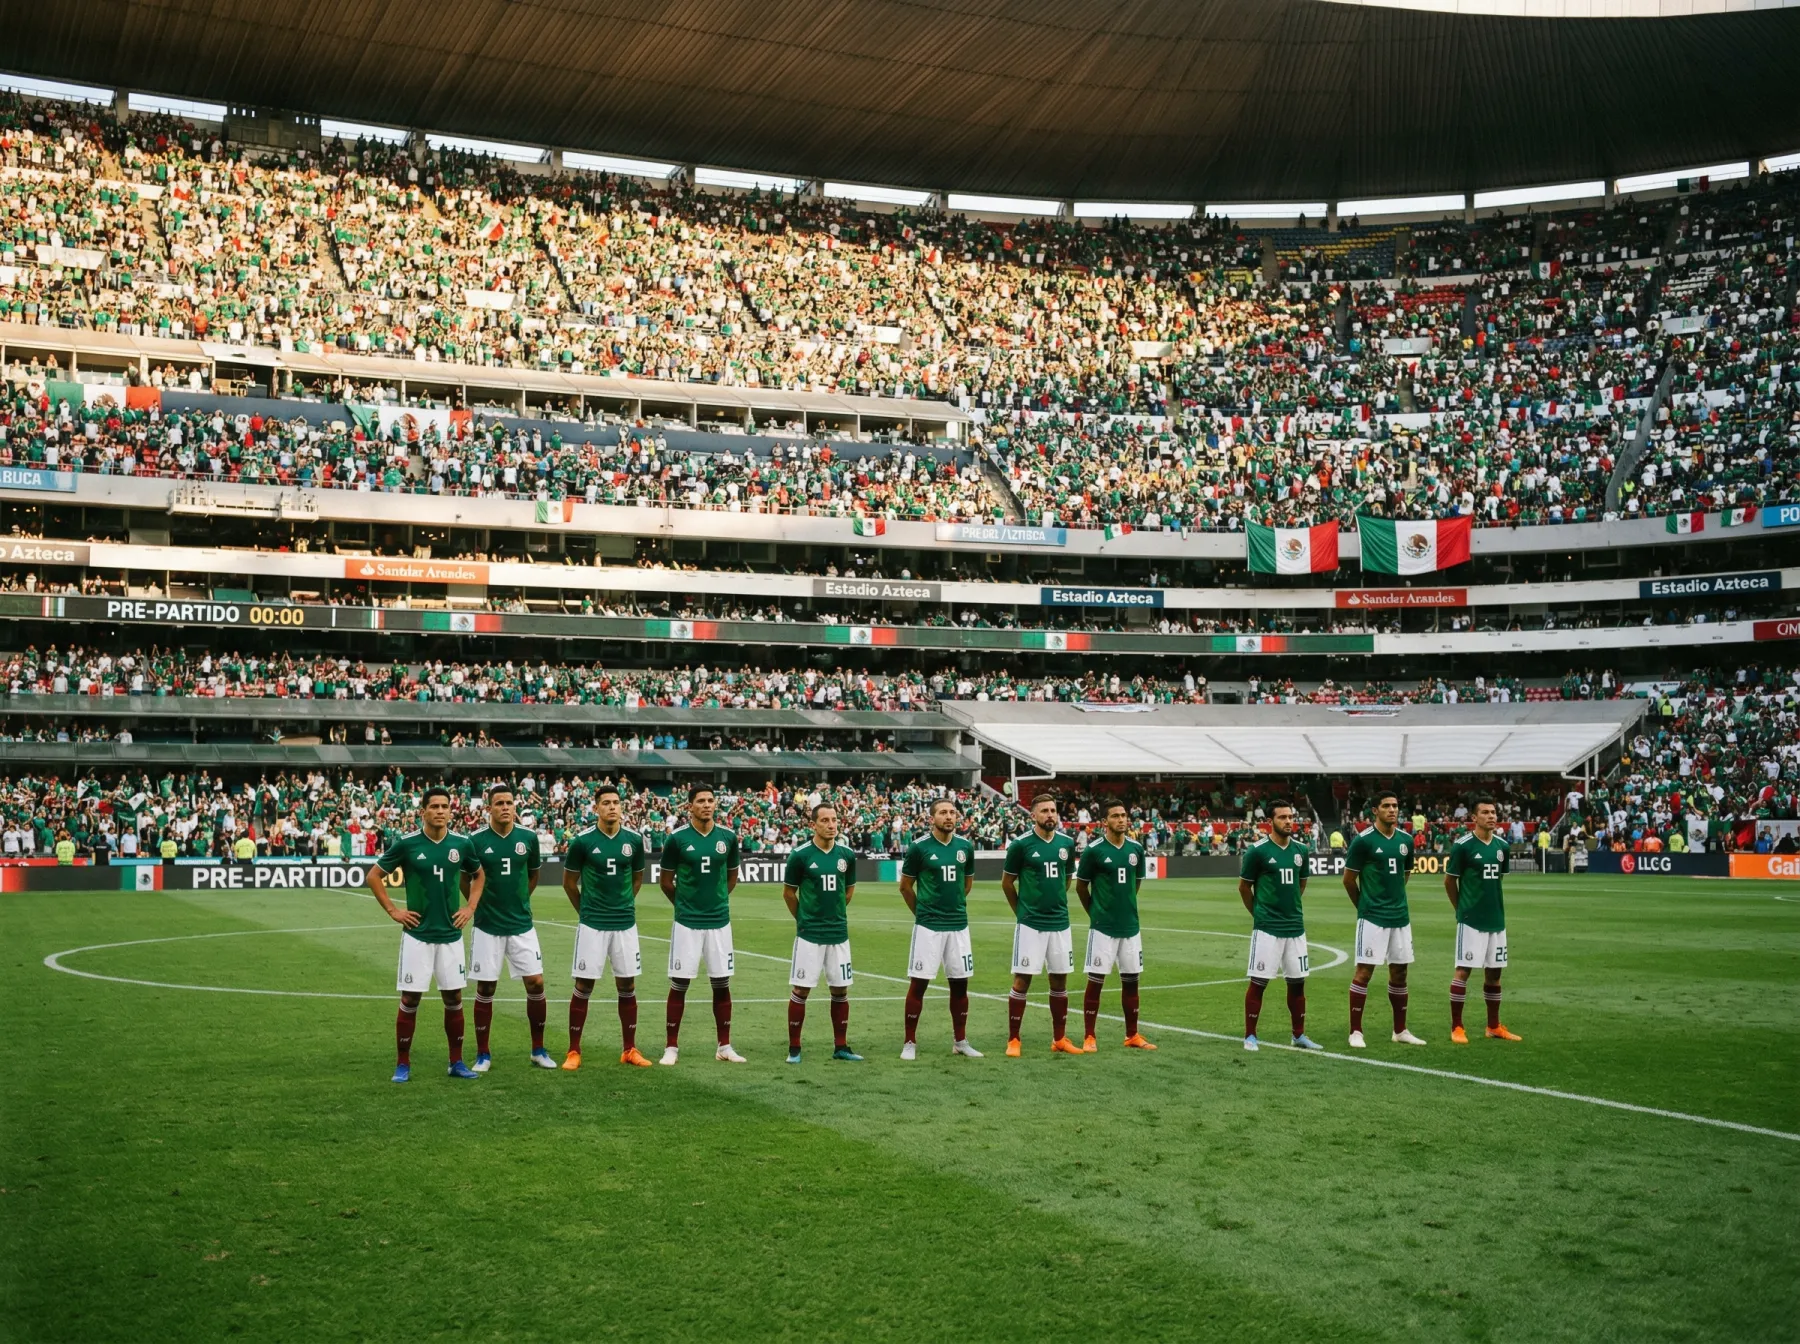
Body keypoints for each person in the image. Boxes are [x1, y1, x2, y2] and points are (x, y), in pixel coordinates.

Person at [368, 786, 484, 1083]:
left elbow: (479, 875)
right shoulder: (406, 844)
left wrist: (470, 907)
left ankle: (456, 1062)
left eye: (445, 806)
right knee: (411, 997)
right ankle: (402, 1064)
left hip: (450, 935)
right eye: (435, 807)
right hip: (417, 935)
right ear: (424, 811)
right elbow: (374, 876)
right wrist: (394, 911)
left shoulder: (462, 843)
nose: (441, 811)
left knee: (454, 997)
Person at [560, 783, 653, 1069]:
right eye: (606, 803)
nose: (612, 807)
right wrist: (587, 911)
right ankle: (573, 1051)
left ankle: (629, 1049)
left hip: (624, 924)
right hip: (593, 924)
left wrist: (623, 904)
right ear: (596, 807)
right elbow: (569, 883)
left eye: (616, 802)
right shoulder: (583, 841)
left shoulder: (634, 841)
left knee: (627, 984)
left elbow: (637, 879)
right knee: (584, 984)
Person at [466, 784, 552, 1072]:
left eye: (509, 802)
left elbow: (533, 875)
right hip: (487, 925)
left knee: (536, 983)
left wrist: (519, 901)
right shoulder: (475, 840)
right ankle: (482, 1054)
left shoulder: (528, 838)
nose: (505, 807)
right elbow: (466, 879)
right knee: (486, 987)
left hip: (521, 924)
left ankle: (538, 1049)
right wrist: (474, 905)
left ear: (516, 806)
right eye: (499, 802)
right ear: (489, 807)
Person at [659, 786, 745, 1065]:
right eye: (700, 801)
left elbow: (731, 877)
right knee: (680, 983)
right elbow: (666, 881)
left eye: (710, 801)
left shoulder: (728, 838)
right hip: (687, 922)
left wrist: (717, 901)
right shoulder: (677, 839)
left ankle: (725, 1046)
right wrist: (685, 905)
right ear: (690, 807)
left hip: (719, 921)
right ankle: (671, 1047)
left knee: (722, 983)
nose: (706, 805)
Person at [898, 797, 982, 1060]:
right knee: (919, 983)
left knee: (960, 985)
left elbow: (966, 884)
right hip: (929, 927)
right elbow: (905, 887)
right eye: (943, 812)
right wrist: (923, 913)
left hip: (958, 926)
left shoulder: (965, 847)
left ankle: (960, 1041)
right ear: (931, 818)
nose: (949, 817)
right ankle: (909, 1042)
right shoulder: (919, 848)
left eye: (952, 812)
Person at [1001, 792, 1085, 1058]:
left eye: (1053, 810)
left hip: (1059, 922)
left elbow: (1067, 879)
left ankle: (1059, 1038)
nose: (1051, 815)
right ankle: (1014, 1039)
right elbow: (1007, 883)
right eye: (1045, 811)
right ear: (1033, 815)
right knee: (1022, 979)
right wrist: (1022, 913)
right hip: (1031, 924)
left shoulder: (1066, 843)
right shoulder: (1021, 845)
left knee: (1059, 979)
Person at [1342, 792, 1426, 1049]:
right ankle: (1355, 1031)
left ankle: (1400, 1030)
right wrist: (1364, 906)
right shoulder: (1363, 841)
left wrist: (1395, 899)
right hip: (1372, 918)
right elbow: (1348, 879)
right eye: (1386, 806)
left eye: (1395, 805)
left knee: (1400, 972)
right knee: (1364, 972)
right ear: (1375, 811)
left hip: (1400, 916)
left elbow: (1405, 874)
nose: (1392, 810)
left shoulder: (1406, 840)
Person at [781, 802, 863, 1064]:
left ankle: (841, 1046)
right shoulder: (801, 855)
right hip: (810, 934)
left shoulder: (846, 855)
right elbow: (789, 893)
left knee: (840, 990)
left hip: (838, 933)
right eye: (825, 820)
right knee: (801, 989)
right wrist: (804, 918)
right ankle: (795, 1047)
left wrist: (835, 914)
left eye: (834, 820)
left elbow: (847, 891)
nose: (831, 825)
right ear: (813, 824)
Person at [1238, 799, 1321, 1051]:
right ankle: (1250, 1036)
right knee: (1259, 982)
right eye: (1282, 817)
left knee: (1297, 983)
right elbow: (1244, 887)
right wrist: (1260, 914)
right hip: (1267, 928)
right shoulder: (1258, 851)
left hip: (1295, 927)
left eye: (1290, 817)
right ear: (1270, 821)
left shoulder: (1301, 851)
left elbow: (1301, 884)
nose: (1288, 821)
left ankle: (1298, 1035)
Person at [1075, 800, 1155, 1052]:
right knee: (1096, 980)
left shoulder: (1136, 849)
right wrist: (1096, 913)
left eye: (1124, 815)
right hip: (1103, 928)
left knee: (1131, 981)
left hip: (1130, 927)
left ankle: (1132, 1034)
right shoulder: (1094, 850)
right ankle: (1089, 1036)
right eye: (1115, 816)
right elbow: (1081, 887)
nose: (1122, 820)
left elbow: (1136, 884)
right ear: (1104, 822)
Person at [1446, 798, 1521, 1044]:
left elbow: (1498, 880)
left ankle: (1493, 1026)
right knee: (1463, 971)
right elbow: (1449, 882)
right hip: (1471, 920)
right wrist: (1461, 909)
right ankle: (1457, 1027)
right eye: (1485, 812)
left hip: (1496, 919)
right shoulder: (1463, 846)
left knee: (1494, 974)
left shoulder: (1502, 846)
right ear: (1474, 817)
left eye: (1493, 811)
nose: (1491, 816)